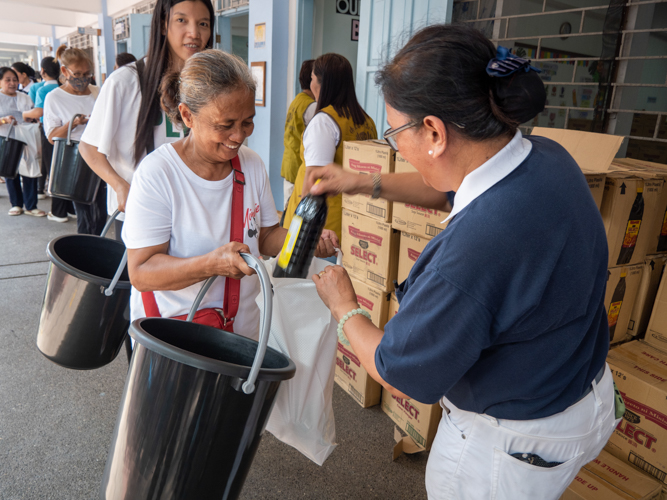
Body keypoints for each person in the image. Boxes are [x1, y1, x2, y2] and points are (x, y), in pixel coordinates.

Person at [310, 24, 618, 500]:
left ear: (433, 130)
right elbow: (453, 184)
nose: (397, 146)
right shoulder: (547, 158)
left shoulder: (473, 252)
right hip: (580, 394)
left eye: (394, 133)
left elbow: (400, 370)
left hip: (509, 447)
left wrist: (344, 306)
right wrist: (361, 182)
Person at [123, 49, 338, 339]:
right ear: (188, 115)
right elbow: (141, 271)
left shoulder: (251, 164)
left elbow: (265, 236)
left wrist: (305, 239)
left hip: (243, 332)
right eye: (225, 125)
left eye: (247, 121)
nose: (238, 136)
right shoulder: (158, 174)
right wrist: (211, 264)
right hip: (177, 336)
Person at [80, 0, 216, 243]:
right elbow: (88, 147)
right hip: (140, 216)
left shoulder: (210, 85)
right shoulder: (125, 82)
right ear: (163, 25)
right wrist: (120, 186)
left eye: (203, 23)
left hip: (195, 216)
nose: (194, 33)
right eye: (182, 20)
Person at [283, 53, 377, 241]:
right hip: (352, 221)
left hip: (323, 227)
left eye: (312, 79)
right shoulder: (366, 121)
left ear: (320, 83)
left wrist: (302, 232)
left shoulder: (324, 122)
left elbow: (314, 179)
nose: (311, 85)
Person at [43, 45, 105, 234]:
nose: (83, 78)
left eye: (87, 73)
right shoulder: (54, 98)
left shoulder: (97, 92)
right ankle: (86, 256)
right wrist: (74, 124)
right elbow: (52, 137)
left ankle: (98, 251)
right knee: (85, 213)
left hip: (101, 157)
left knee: (102, 212)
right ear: (64, 71)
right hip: (75, 160)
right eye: (77, 73)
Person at [0, 66, 45, 216]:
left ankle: (31, 206)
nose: (12, 83)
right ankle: (16, 204)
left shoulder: (24, 97)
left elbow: (33, 114)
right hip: (7, 139)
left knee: (29, 170)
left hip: (26, 138)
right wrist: (4, 120)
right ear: (0, 82)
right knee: (11, 171)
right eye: (8, 80)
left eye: (14, 79)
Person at [23, 57, 65, 203]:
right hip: (66, 130)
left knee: (49, 164)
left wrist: (23, 114)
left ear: (42, 71)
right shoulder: (63, 87)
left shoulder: (42, 89)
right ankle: (68, 204)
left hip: (49, 131)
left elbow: (38, 112)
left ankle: (57, 204)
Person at [281, 59, 316, 206]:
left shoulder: (297, 100)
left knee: (288, 210)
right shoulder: (312, 106)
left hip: (289, 163)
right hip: (298, 167)